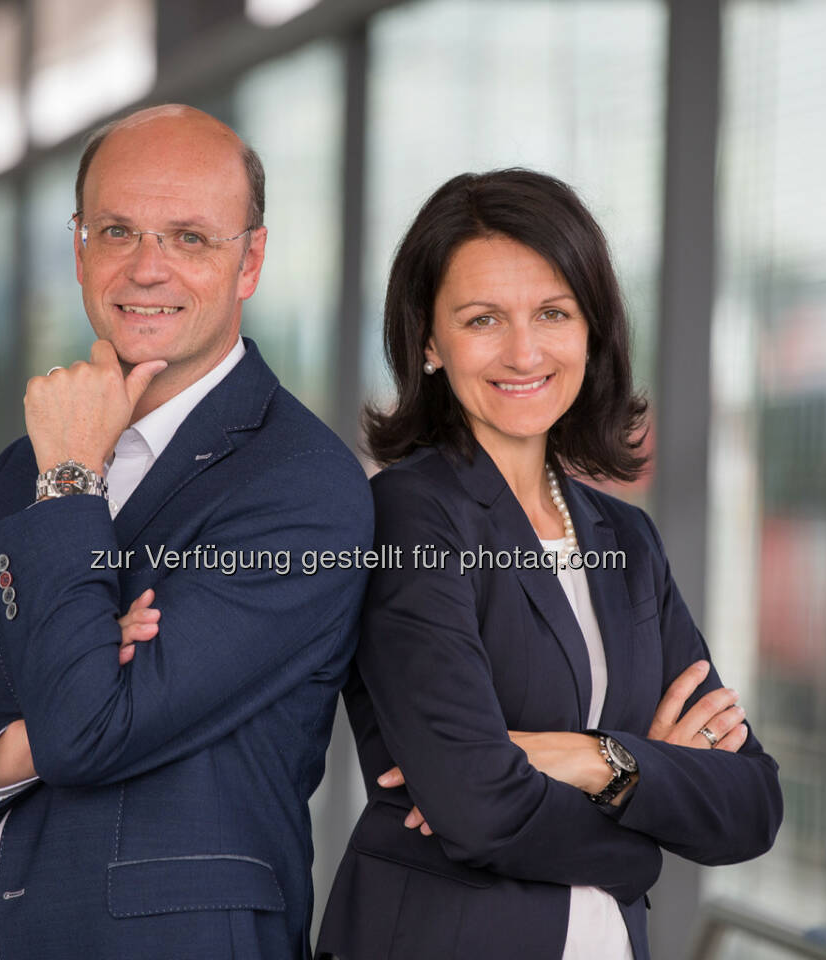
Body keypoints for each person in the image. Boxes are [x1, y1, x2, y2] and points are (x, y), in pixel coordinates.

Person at [0, 104, 373, 960]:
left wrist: (70, 482)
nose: (146, 268)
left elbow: (89, 733)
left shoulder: (302, 487)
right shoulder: (24, 468)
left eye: (190, 238)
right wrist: (52, 717)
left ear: (250, 260)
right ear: (78, 249)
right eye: (117, 231)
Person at [315, 170, 782, 960]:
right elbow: (478, 807)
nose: (524, 351)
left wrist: (589, 757)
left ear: (590, 329)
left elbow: (750, 804)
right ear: (429, 341)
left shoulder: (626, 539)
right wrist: (643, 829)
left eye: (553, 313)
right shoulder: (412, 513)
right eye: (483, 319)